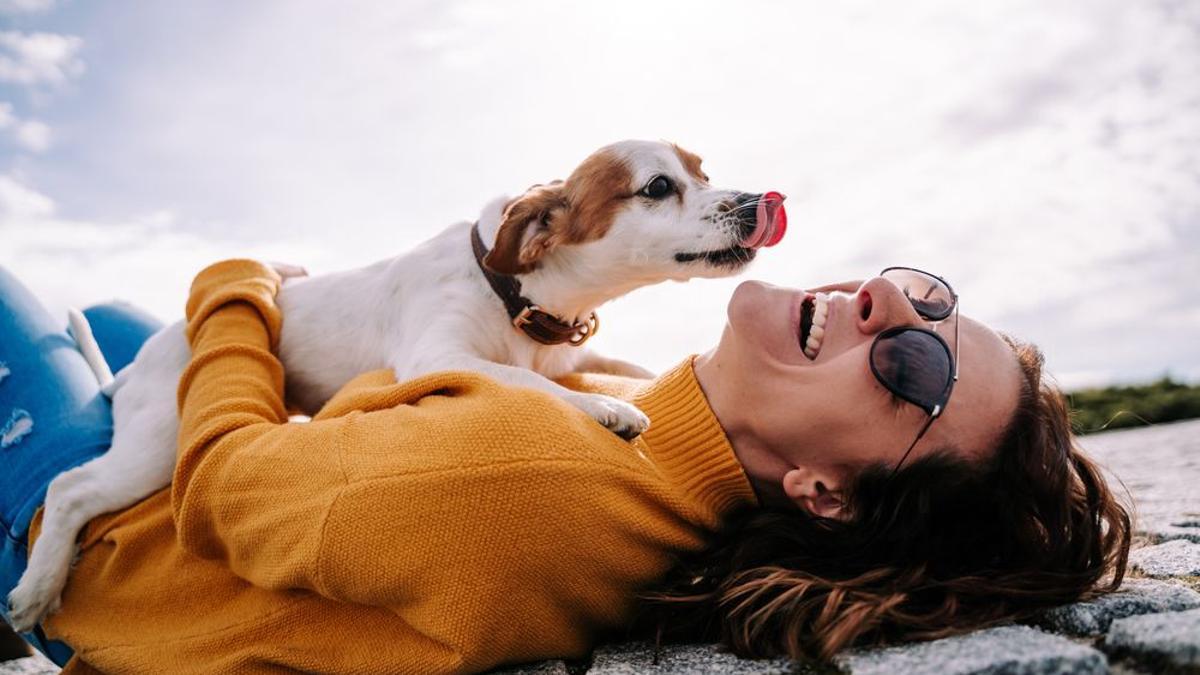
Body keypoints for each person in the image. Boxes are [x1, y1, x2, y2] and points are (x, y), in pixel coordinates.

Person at [0, 260, 1129, 674]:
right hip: (173, 479)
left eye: (917, 364)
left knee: (22, 304)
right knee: (107, 313)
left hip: (101, 553)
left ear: (825, 495)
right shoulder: (649, 411)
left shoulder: (521, 479)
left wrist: (240, 290)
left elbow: (228, 488)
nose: (888, 304)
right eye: (928, 296)